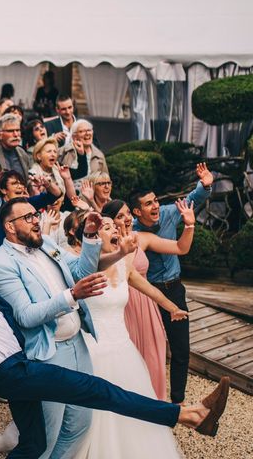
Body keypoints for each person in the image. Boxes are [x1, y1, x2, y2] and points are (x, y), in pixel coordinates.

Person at [0, 235, 230, 459]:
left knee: (35, 443)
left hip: (19, 359)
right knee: (96, 390)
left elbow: (10, 305)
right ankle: (187, 415)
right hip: (6, 372)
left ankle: (191, 416)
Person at [0, 198, 126, 458]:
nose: (35, 221)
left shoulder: (46, 243)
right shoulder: (2, 264)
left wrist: (90, 236)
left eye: (35, 215)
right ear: (9, 226)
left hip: (78, 343)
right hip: (49, 352)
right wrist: (72, 295)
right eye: (27, 217)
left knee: (81, 423)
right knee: (48, 434)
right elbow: (26, 315)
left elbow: (79, 271)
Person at [75, 217, 189, 459]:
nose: (114, 230)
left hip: (124, 348)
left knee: (134, 402)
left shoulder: (125, 267)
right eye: (107, 228)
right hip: (94, 351)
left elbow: (151, 291)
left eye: (114, 227)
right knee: (98, 408)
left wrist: (172, 308)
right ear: (92, 237)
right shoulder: (83, 266)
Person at [130, 163, 213, 404]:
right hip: (149, 294)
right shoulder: (133, 232)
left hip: (175, 289)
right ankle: (146, 396)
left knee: (180, 349)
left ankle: (177, 401)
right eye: (148, 203)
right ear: (137, 212)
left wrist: (205, 185)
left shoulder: (168, 212)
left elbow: (192, 199)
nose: (155, 206)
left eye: (155, 201)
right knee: (149, 347)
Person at [102, 199, 196, 400]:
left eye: (127, 213)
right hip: (122, 307)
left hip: (147, 305)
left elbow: (181, 248)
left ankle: (158, 410)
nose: (126, 218)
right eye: (120, 216)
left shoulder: (142, 238)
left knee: (154, 359)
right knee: (129, 363)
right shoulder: (105, 247)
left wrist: (189, 225)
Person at [0, 170, 60, 249]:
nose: (20, 186)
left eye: (21, 183)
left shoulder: (27, 204)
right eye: (14, 183)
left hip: (22, 254)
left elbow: (55, 194)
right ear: (3, 190)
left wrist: (46, 183)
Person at [58, 120, 108, 187]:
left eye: (89, 130)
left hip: (91, 195)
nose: (87, 133)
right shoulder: (64, 151)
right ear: (74, 137)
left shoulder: (99, 155)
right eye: (82, 131)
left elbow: (105, 181)